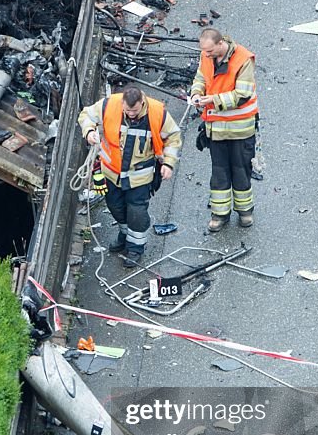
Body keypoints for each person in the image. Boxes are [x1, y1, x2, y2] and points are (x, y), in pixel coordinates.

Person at [78, 85, 182, 267]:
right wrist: (89, 131)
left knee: (137, 212)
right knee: (115, 206)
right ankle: (124, 235)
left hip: (139, 177)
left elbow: (173, 137)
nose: (131, 115)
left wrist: (168, 163)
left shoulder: (157, 112)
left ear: (143, 102)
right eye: (127, 111)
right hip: (111, 173)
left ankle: (135, 248)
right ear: (122, 104)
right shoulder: (110, 105)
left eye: (134, 111)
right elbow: (85, 115)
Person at [189, 28, 259, 232]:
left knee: (240, 171)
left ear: (221, 44)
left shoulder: (243, 59)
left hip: (240, 130)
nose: (207, 55)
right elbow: (201, 78)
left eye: (210, 51)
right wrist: (196, 93)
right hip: (216, 129)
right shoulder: (207, 55)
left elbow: (243, 94)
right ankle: (220, 214)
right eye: (205, 52)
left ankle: (245, 211)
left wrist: (213, 100)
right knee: (219, 173)